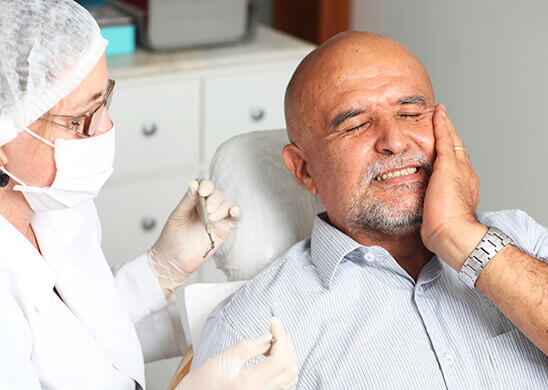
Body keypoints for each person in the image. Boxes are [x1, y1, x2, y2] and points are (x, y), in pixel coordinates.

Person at [191, 31, 548, 388]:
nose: (394, 140)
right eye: (356, 124)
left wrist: (461, 236)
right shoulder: (254, 326)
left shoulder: (521, 239)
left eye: (410, 113)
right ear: (304, 169)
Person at [0, 1, 297, 389]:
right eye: (81, 119)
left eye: (104, 100)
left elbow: (84, 337)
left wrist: (162, 269)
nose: (105, 127)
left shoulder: (53, 204)